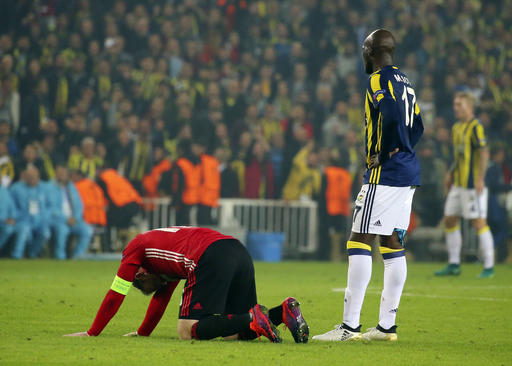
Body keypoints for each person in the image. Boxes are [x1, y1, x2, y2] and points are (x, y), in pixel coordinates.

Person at [313, 29, 423, 342]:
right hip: (407, 173)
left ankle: (349, 327)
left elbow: (389, 116)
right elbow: (419, 126)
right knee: (392, 243)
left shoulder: (378, 79)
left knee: (358, 239)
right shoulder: (405, 81)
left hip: (384, 175)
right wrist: (404, 149)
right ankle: (386, 328)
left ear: (370, 50)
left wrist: (385, 152)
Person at [64, 227, 309, 343]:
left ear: (140, 275)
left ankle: (252, 317)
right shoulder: (163, 262)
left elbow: (115, 294)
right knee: (235, 335)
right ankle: (282, 312)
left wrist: (92, 332)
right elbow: (161, 301)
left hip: (209, 255)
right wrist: (142, 333)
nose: (161, 287)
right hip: (238, 250)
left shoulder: (134, 249)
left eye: (152, 286)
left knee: (186, 330)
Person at [435, 92, 494, 278]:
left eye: (459, 104)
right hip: (458, 184)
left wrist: (480, 178)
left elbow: (484, 152)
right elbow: (458, 156)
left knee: (478, 222)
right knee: (449, 219)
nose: (455, 107)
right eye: (454, 104)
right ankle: (454, 264)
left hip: (471, 185)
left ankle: (489, 266)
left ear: (469, 106)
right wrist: (450, 173)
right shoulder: (456, 127)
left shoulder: (476, 126)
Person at [46, 164, 93, 259]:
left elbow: (80, 205)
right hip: (58, 220)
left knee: (87, 230)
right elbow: (51, 208)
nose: (62, 175)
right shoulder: (49, 187)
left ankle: (78, 256)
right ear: (56, 174)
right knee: (62, 231)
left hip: (74, 220)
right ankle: (60, 257)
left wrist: (75, 218)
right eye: (60, 173)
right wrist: (66, 219)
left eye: (64, 173)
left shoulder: (71, 187)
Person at [9, 166, 51, 258]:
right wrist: (16, 216)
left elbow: (49, 205)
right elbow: (11, 206)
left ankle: (32, 254)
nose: (32, 179)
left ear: (38, 177)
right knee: (24, 231)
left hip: (40, 221)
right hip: (22, 220)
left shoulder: (44, 188)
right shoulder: (16, 189)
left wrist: (45, 217)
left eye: (34, 177)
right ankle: (17, 256)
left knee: (46, 233)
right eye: (29, 177)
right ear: (25, 177)